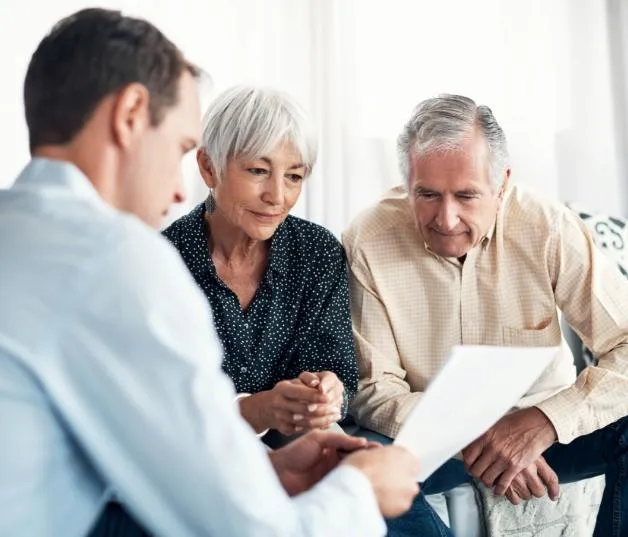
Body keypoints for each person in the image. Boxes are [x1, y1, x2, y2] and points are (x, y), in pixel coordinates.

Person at [0, 8, 421, 537]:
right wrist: (361, 488)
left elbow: (116, 444)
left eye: (293, 175)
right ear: (130, 114)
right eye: (179, 148)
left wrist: (265, 469)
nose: (179, 192)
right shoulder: (117, 259)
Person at [343, 93, 628, 537]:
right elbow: (374, 390)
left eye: (467, 195)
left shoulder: (547, 226)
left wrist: (547, 422)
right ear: (407, 183)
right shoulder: (367, 238)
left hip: (544, 430)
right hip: (434, 440)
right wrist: (477, 433)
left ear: (502, 184)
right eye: (428, 195)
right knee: (357, 470)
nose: (447, 217)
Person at [163, 86, 356, 442]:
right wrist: (257, 409)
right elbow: (160, 406)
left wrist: (328, 391)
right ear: (209, 167)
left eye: (294, 176)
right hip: (196, 454)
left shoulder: (317, 252)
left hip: (302, 442)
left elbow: (337, 369)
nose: (277, 196)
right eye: (257, 170)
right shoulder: (161, 262)